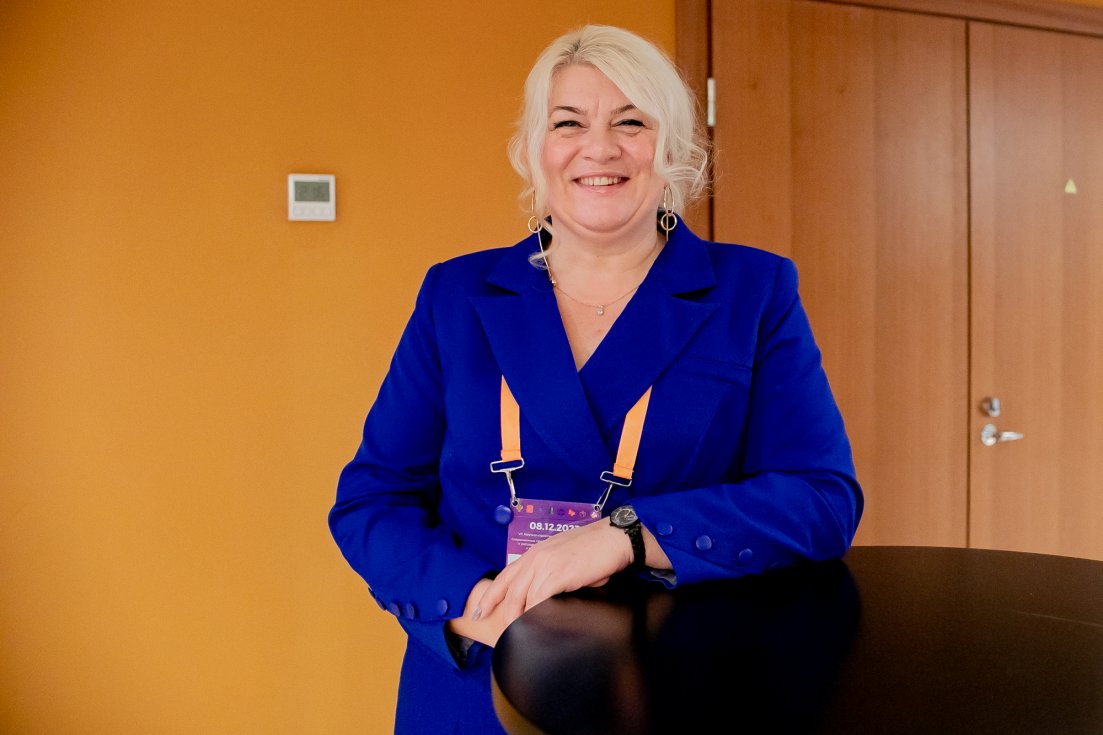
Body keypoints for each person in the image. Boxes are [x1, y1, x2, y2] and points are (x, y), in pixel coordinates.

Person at [329, 23, 863, 735]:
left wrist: (627, 535)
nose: (600, 147)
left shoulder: (753, 290)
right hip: (478, 680)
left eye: (631, 122)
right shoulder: (455, 294)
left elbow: (821, 499)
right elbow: (372, 500)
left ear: (673, 148)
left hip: (676, 682)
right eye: (569, 123)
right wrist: (479, 607)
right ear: (532, 149)